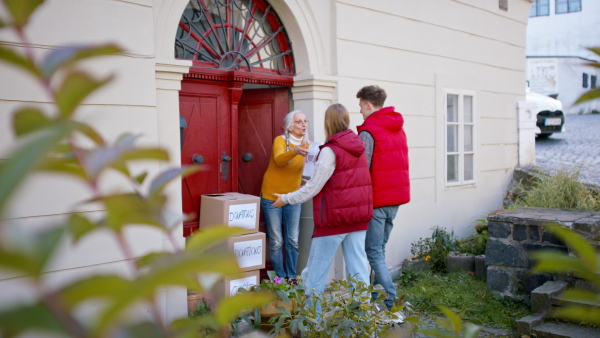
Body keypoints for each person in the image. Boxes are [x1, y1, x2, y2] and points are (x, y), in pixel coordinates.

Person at [272, 103, 373, 299]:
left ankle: (312, 324)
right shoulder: (357, 147)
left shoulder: (330, 151)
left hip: (334, 219)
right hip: (358, 217)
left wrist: (286, 198)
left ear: (328, 122)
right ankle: (365, 319)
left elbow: (314, 187)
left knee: (314, 275)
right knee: (359, 272)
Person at [356, 85, 410, 311]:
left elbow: (362, 168)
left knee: (374, 252)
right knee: (379, 250)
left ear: (369, 105)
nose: (359, 111)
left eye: (360, 106)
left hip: (377, 201)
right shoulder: (397, 127)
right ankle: (377, 299)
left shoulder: (369, 131)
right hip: (395, 199)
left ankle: (391, 302)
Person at [260, 110, 309, 279]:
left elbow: (310, 169)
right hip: (272, 196)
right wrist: (295, 151)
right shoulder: (280, 141)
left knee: (293, 240)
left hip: (293, 197)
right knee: (276, 241)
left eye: (305, 121)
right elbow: (280, 160)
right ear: (290, 126)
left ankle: (291, 278)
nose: (304, 124)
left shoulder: (308, 145)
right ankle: (279, 279)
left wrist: (305, 182)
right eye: (299, 121)